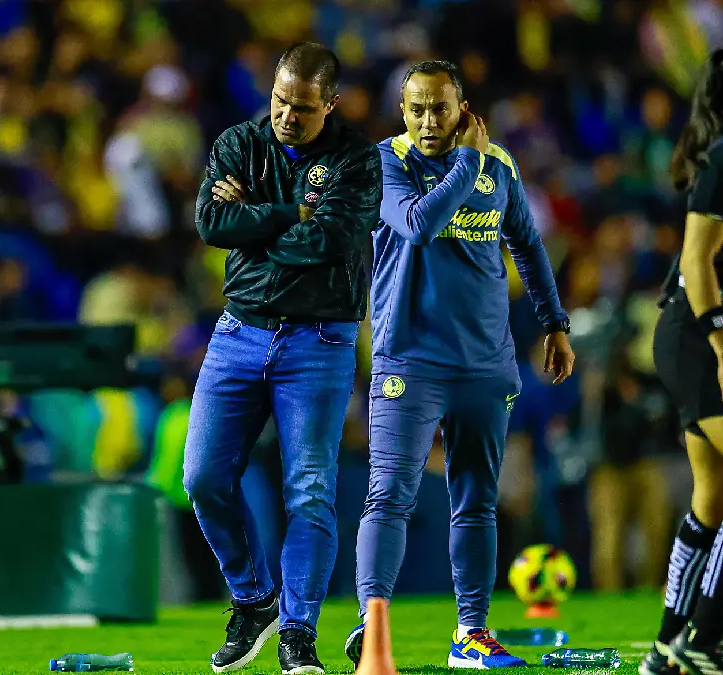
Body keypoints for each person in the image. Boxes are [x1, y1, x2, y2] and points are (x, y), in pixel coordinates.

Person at [345, 61, 574, 669]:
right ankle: (374, 629)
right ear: (401, 111)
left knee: (476, 500)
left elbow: (526, 242)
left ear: (461, 108)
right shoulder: (384, 164)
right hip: (409, 362)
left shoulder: (500, 166)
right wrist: (465, 164)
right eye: (415, 108)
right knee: (388, 496)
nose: (426, 120)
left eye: (438, 109)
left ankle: (471, 634)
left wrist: (555, 323)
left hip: (486, 364)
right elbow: (418, 226)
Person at [186, 42, 381, 674]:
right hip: (238, 333)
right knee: (203, 479)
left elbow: (333, 241)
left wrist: (256, 222)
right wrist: (287, 213)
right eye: (278, 100)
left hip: (319, 341)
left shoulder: (354, 159)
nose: (286, 117)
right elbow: (212, 223)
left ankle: (299, 630)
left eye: (301, 107)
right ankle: (253, 598)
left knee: (309, 491)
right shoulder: (238, 143)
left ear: (330, 103)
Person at [645, 49, 723, 675]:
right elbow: (698, 262)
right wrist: (722, 346)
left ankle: (668, 646)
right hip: (697, 335)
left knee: (713, 497)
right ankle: (704, 640)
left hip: (693, 332)